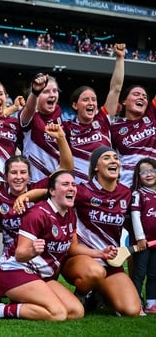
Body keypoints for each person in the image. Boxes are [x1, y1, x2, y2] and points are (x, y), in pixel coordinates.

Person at [0, 170, 105, 321]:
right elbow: (20, 254)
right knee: (58, 313)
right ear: (51, 191)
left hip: (40, 275)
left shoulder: (70, 214)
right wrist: (32, 250)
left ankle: (23, 301)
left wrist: (101, 253)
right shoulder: (37, 214)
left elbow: (72, 248)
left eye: (73, 185)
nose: (71, 188)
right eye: (65, 184)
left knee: (76, 311)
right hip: (14, 270)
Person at [59, 147, 141, 316]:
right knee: (95, 272)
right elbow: (49, 192)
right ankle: (83, 295)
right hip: (80, 259)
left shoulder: (125, 193)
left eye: (116, 158)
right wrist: (26, 197)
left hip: (110, 263)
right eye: (106, 158)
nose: (113, 161)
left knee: (131, 310)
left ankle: (99, 293)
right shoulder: (80, 191)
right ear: (96, 166)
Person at [0, 123, 73, 264]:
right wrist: (6, 227)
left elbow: (66, 167)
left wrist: (61, 138)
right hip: (11, 257)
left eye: (23, 172)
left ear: (29, 175)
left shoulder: (38, 187)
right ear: (6, 176)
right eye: (13, 173)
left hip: (38, 256)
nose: (18, 177)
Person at [64, 44, 125, 183]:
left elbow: (115, 89)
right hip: (79, 187)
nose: (91, 103)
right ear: (75, 105)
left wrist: (120, 58)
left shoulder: (102, 119)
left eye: (94, 100)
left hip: (105, 184)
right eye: (85, 100)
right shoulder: (66, 127)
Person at [19, 73, 63, 183]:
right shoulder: (30, 116)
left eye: (55, 90)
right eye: (46, 92)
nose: (52, 95)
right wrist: (35, 92)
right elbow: (29, 108)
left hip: (55, 184)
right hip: (33, 182)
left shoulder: (61, 118)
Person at [110, 85, 156, 187]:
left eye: (145, 97)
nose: (142, 97)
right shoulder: (114, 128)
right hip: (127, 186)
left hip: (153, 185)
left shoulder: (152, 116)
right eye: (136, 94)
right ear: (124, 101)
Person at [130, 157, 156, 314]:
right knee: (139, 273)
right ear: (138, 176)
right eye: (144, 172)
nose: (149, 174)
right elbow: (135, 217)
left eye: (152, 170)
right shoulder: (138, 194)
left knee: (154, 273)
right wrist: (140, 238)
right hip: (143, 243)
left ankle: (152, 302)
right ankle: (135, 301)